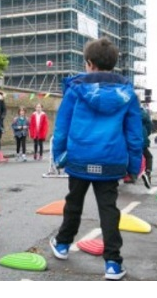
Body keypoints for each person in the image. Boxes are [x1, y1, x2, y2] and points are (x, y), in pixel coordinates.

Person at [49, 38, 143, 281]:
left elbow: (61, 128)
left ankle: (62, 244)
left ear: (89, 63)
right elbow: (135, 134)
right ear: (113, 64)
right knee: (109, 210)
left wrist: (59, 157)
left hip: (79, 158)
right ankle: (113, 263)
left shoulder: (75, 90)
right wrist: (133, 167)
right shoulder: (128, 94)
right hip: (112, 160)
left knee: (74, 202)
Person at [140, 101, 154, 188]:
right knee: (148, 156)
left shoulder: (125, 111)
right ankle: (147, 172)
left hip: (127, 138)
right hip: (141, 138)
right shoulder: (143, 113)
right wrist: (146, 134)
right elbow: (149, 125)